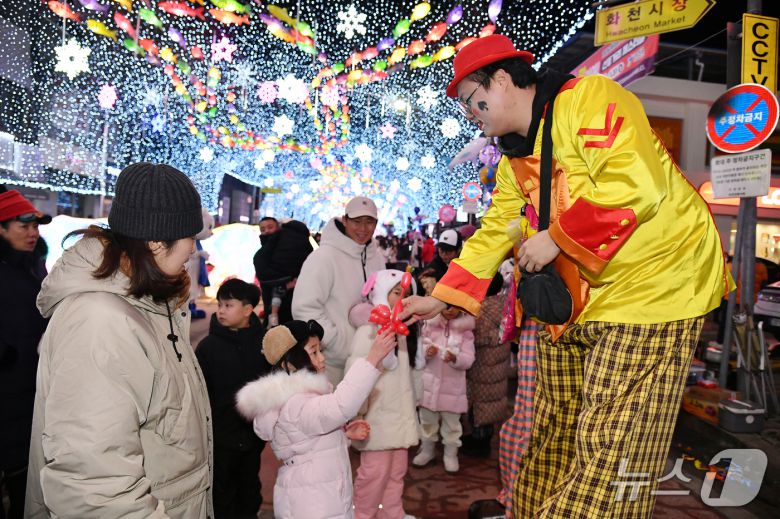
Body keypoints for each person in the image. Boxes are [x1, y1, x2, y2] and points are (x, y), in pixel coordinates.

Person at [400, 34, 731, 518]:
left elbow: (635, 182)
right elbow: (497, 229)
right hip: (578, 303)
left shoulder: (592, 99)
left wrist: (556, 237)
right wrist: (445, 294)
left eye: (475, 100)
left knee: (611, 445)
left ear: (505, 80)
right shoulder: (514, 158)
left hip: (657, 286)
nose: (471, 114)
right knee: (554, 429)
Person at [25, 162, 214, 518]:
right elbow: (95, 487)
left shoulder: (153, 303)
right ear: (157, 241)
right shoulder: (100, 322)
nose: (194, 248)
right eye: (192, 236)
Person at [235, 320, 397, 519]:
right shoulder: (296, 402)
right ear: (289, 363)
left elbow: (309, 441)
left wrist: (344, 434)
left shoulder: (297, 398)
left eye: (321, 350)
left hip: (316, 495)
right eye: (313, 352)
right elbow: (340, 406)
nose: (322, 358)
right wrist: (372, 358)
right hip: (313, 503)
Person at [345, 270, 419, 519]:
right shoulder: (368, 330)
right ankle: (362, 515)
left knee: (397, 471)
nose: (402, 300)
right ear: (380, 294)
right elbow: (356, 374)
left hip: (398, 414)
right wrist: (356, 413)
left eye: (406, 295)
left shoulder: (400, 329)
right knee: (373, 475)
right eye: (397, 293)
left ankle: (392, 513)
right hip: (377, 416)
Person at [292, 196, 385, 386]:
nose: (363, 228)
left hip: (370, 359)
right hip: (332, 364)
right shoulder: (324, 257)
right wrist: (335, 343)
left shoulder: (377, 258)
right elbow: (304, 308)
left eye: (369, 222)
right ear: (345, 220)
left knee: (364, 415)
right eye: (357, 221)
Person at [195, 278, 268, 519]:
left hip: (253, 433)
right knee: (222, 490)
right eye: (220, 305)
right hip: (221, 434)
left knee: (249, 486)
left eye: (229, 305)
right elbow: (201, 392)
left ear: (248, 310)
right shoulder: (208, 347)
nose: (221, 311)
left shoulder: (263, 344)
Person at [0, 190, 51, 519]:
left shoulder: (34, 272)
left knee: (24, 483)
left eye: (36, 226)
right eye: (24, 226)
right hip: (5, 392)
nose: (33, 232)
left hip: (28, 397)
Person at [412, 304, 475, 473]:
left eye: (455, 306)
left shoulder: (465, 332)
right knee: (426, 422)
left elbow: (469, 359)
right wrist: (426, 351)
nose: (450, 310)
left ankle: (450, 454)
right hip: (429, 387)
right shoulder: (429, 325)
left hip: (452, 389)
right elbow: (419, 348)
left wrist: (456, 358)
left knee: (452, 426)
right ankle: (427, 450)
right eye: (446, 306)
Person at [253, 216, 313, 328]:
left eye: (270, 227)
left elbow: (263, 272)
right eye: (262, 229)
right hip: (294, 302)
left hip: (283, 302)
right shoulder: (299, 242)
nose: (266, 231)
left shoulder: (279, 246)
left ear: (279, 227)